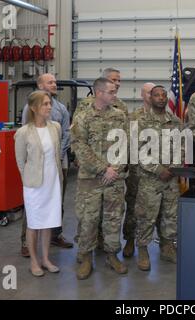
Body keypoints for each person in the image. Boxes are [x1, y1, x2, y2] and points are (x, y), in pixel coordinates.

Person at [71, 78, 128, 279]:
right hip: (91, 179)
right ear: (99, 92)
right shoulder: (83, 117)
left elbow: (125, 145)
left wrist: (115, 169)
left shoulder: (120, 116)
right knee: (89, 219)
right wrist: (104, 169)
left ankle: (112, 255)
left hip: (114, 178)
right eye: (111, 91)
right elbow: (79, 147)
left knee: (113, 219)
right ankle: (86, 257)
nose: (115, 95)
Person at [20, 73, 73, 257]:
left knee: (57, 200)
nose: (54, 84)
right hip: (37, 166)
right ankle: (27, 242)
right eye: (50, 82)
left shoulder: (60, 109)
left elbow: (66, 132)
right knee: (33, 205)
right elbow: (26, 136)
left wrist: (58, 154)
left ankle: (54, 235)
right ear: (39, 84)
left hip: (59, 163)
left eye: (55, 82)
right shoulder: (30, 107)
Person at [15, 90, 63, 277]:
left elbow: (56, 155)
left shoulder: (55, 127)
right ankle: (34, 261)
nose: (49, 107)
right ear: (34, 108)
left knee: (48, 222)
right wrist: (28, 181)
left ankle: (45, 259)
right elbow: (21, 162)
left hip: (53, 182)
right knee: (34, 223)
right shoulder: (23, 132)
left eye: (49, 103)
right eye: (45, 104)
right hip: (34, 185)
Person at [134, 85, 182, 271]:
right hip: (149, 179)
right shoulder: (141, 122)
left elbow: (182, 147)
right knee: (146, 216)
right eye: (157, 95)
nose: (161, 98)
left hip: (171, 178)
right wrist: (158, 169)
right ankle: (143, 248)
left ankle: (167, 247)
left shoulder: (176, 122)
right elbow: (136, 151)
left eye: (164, 95)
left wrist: (173, 168)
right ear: (150, 98)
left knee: (170, 215)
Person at [121, 82, 156, 258]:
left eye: (155, 92)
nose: (152, 96)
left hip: (157, 172)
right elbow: (126, 143)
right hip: (137, 171)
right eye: (149, 92)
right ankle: (129, 240)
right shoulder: (133, 117)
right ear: (142, 95)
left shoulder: (165, 116)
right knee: (133, 206)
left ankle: (148, 244)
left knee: (154, 209)